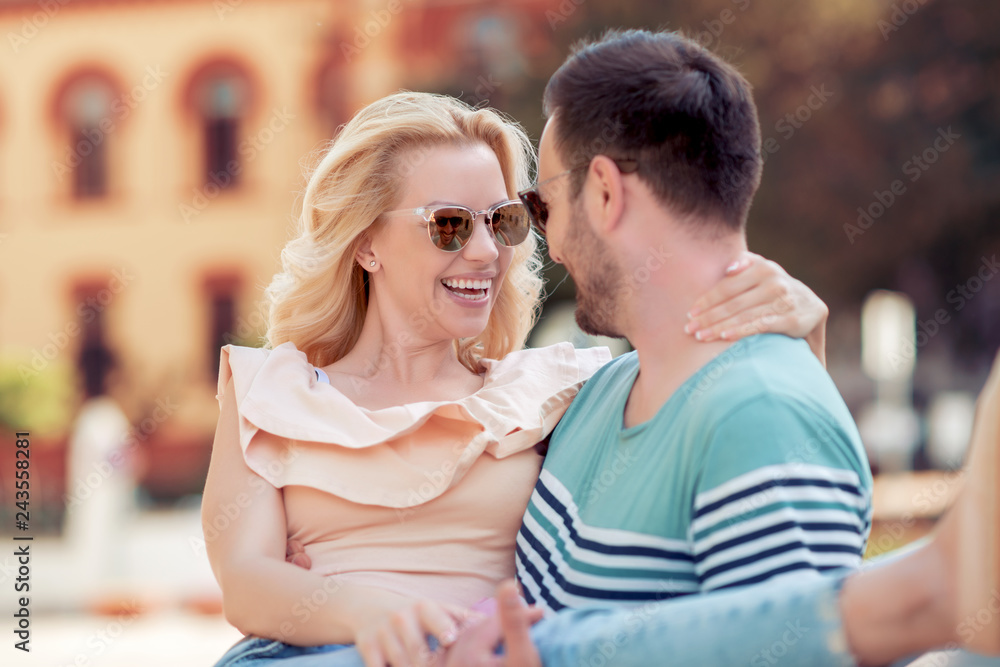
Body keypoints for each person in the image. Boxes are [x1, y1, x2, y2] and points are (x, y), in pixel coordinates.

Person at [202, 89, 830, 667]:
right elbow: (248, 583)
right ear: (366, 244)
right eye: (448, 223)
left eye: (501, 222)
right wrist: (379, 615)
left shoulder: (552, 392)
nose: (484, 252)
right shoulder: (269, 389)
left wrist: (802, 331)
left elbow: (739, 423)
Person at [434, 29, 1000, 667]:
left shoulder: (761, 417)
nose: (547, 242)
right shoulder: (602, 391)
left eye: (541, 207)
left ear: (603, 192)